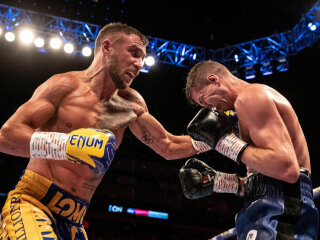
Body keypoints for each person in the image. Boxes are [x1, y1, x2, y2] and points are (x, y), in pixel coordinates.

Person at [0, 22, 202, 240]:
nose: (139, 64)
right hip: (33, 203)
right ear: (107, 48)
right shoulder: (64, 86)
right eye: (133, 53)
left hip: (74, 221)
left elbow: (168, 146)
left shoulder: (130, 104)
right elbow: (6, 136)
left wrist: (216, 140)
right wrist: (68, 146)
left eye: (142, 58)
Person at [179, 60, 319, 239]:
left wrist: (225, 143)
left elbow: (288, 170)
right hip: (269, 205)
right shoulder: (244, 109)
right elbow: (269, 178)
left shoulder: (251, 96)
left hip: (280, 208)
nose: (209, 109)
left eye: (203, 100)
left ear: (214, 80)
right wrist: (221, 181)